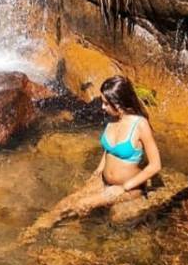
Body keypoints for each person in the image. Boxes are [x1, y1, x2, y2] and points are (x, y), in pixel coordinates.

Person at [19, 75, 162, 241]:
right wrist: (98, 170)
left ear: (118, 104)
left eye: (106, 103)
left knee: (82, 204)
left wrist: (124, 188)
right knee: (65, 203)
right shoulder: (113, 120)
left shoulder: (140, 124)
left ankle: (63, 238)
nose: (102, 107)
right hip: (104, 180)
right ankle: (32, 232)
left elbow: (155, 165)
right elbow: (109, 150)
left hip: (128, 187)